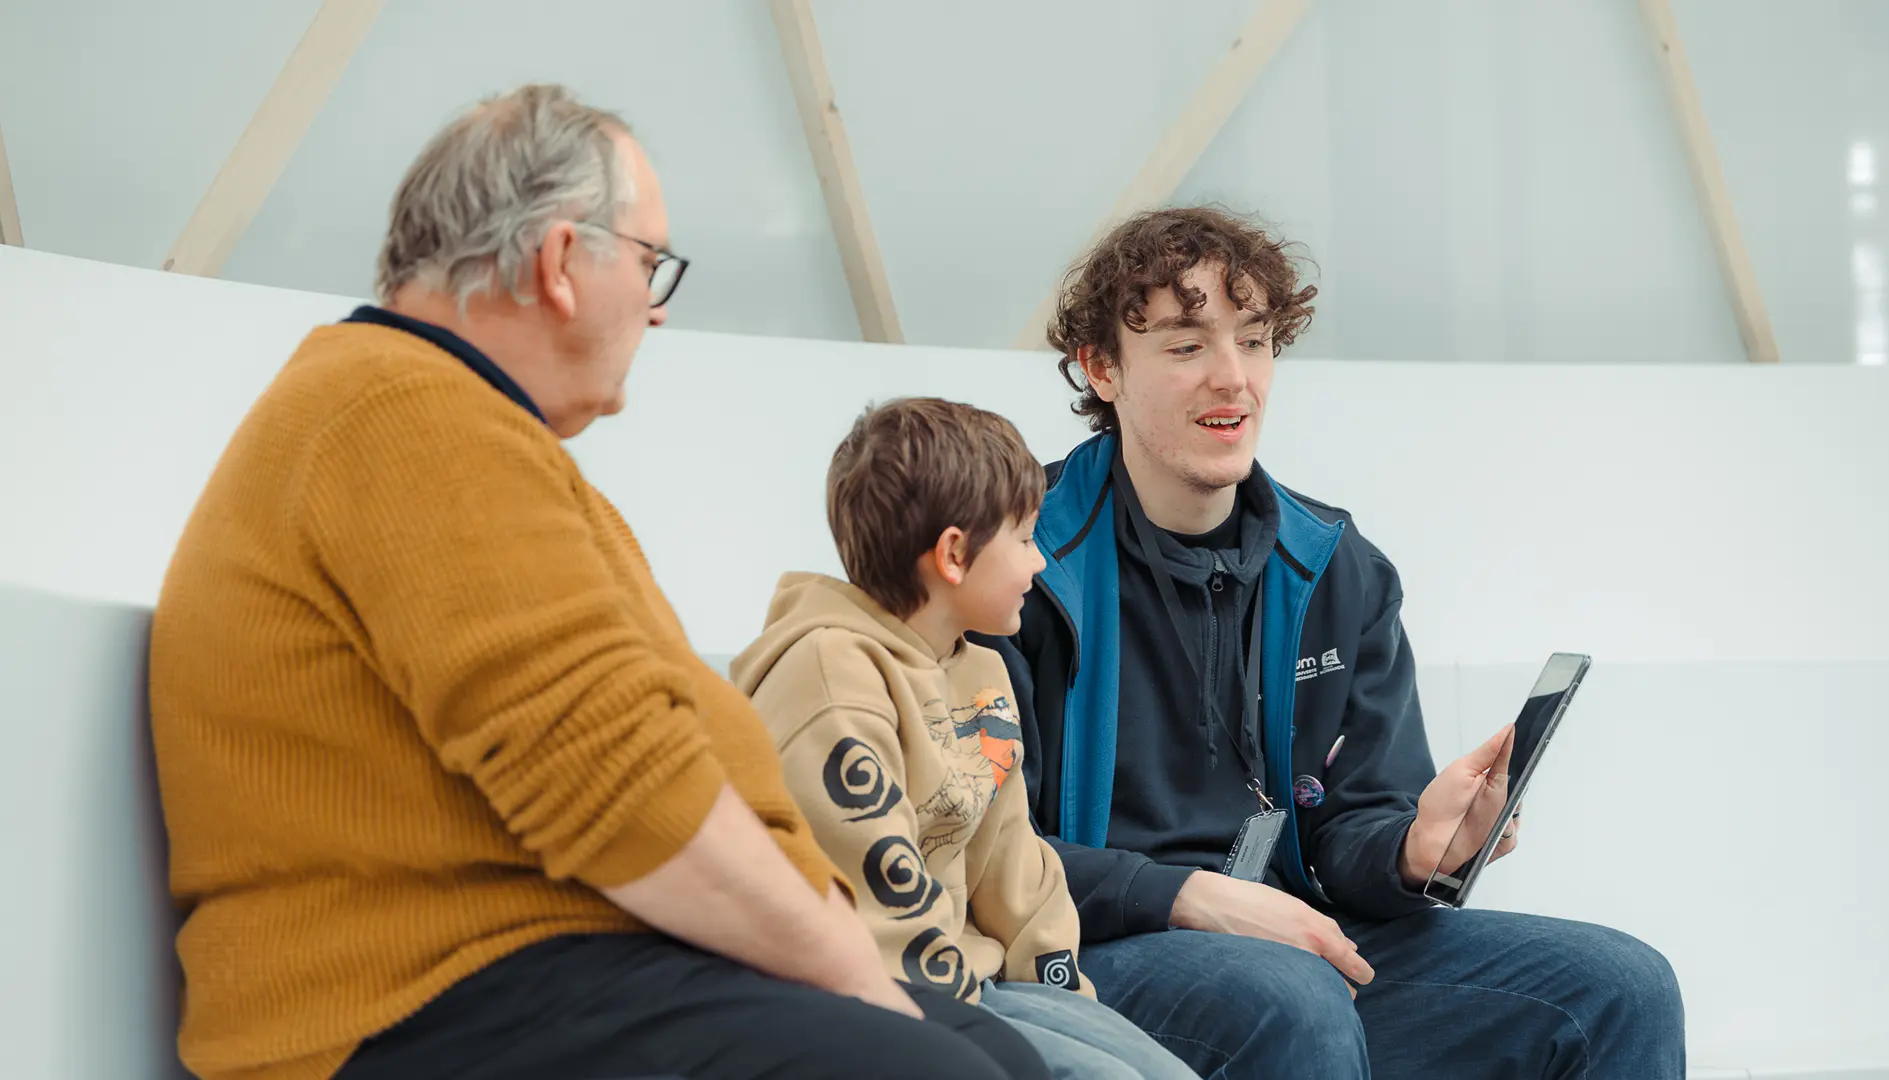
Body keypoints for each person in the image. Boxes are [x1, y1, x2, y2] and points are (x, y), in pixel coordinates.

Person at [147, 85, 1045, 1080]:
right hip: (414, 1001)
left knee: (989, 1048)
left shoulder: (450, 426)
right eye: (652, 263)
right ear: (560, 262)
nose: (657, 313)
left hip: (546, 967)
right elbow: (626, 791)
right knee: (938, 1071)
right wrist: (858, 983)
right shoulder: (405, 417)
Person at [976, 206, 1687, 1078]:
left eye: (1256, 339)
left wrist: (1411, 850)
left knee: (1621, 986)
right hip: (1091, 952)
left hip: (1298, 943)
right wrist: (1191, 897)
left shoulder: (1337, 567)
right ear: (1103, 369)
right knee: (1289, 998)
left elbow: (1352, 825)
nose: (1233, 379)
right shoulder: (1011, 561)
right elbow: (977, 848)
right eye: (1186, 345)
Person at [732, 397, 1202, 1080]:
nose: (1040, 563)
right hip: (875, 1006)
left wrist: (1061, 986)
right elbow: (870, 901)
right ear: (954, 554)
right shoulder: (829, 674)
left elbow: (1009, 856)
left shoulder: (979, 670)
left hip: (976, 987)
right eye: (1024, 539)